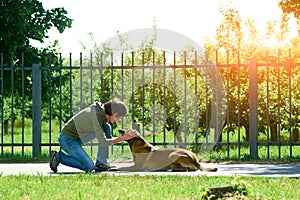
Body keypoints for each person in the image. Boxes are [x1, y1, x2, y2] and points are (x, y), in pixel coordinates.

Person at [49, 98, 137, 173]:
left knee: (107, 127)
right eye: (119, 117)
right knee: (89, 166)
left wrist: (122, 138)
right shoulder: (96, 116)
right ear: (113, 113)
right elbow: (103, 142)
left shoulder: (102, 115)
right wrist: (122, 138)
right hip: (68, 140)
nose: (118, 120)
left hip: (79, 137)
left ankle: (101, 163)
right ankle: (58, 156)